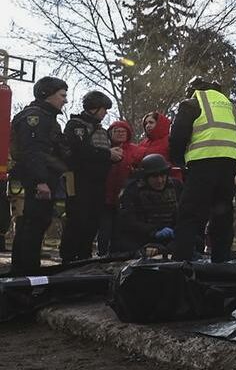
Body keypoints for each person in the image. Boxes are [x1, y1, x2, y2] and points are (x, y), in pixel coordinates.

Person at [169, 76, 236, 263]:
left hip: (202, 163)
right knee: (222, 214)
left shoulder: (193, 102)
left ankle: (181, 262)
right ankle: (221, 261)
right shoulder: (229, 106)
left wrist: (178, 160)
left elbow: (178, 134)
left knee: (189, 213)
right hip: (229, 165)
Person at [9, 76, 70, 275]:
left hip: (42, 178)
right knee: (32, 225)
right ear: (47, 95)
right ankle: (26, 274)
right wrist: (40, 181)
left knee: (35, 224)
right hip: (35, 180)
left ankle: (25, 273)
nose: (65, 100)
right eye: (62, 95)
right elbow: (33, 151)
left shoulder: (46, 117)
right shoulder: (35, 117)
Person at [59, 90, 120, 263]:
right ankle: (69, 258)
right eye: (103, 109)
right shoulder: (76, 126)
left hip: (97, 183)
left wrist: (113, 156)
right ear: (94, 108)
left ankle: (84, 257)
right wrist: (108, 155)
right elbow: (81, 152)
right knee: (77, 219)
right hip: (79, 181)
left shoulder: (101, 130)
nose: (105, 113)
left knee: (92, 221)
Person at [111, 154, 182, 254]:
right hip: (141, 238)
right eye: (154, 177)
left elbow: (185, 215)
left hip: (171, 238)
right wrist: (153, 231)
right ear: (146, 177)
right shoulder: (133, 190)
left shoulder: (176, 187)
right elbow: (128, 221)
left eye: (162, 176)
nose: (160, 181)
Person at [97, 120, 144, 255]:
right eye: (116, 131)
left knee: (121, 229)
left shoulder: (137, 151)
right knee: (104, 229)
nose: (120, 133)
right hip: (105, 197)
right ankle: (102, 254)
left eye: (123, 131)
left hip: (126, 199)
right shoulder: (104, 150)